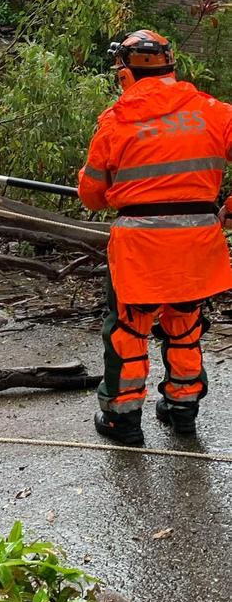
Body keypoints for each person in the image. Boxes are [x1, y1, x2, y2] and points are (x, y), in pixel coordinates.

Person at [78, 29, 232, 446]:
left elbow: (92, 196)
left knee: (128, 331)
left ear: (127, 75)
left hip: (139, 248)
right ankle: (183, 411)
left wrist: (115, 189)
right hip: (197, 244)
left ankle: (122, 420)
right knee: (184, 327)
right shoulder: (215, 112)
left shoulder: (115, 123)